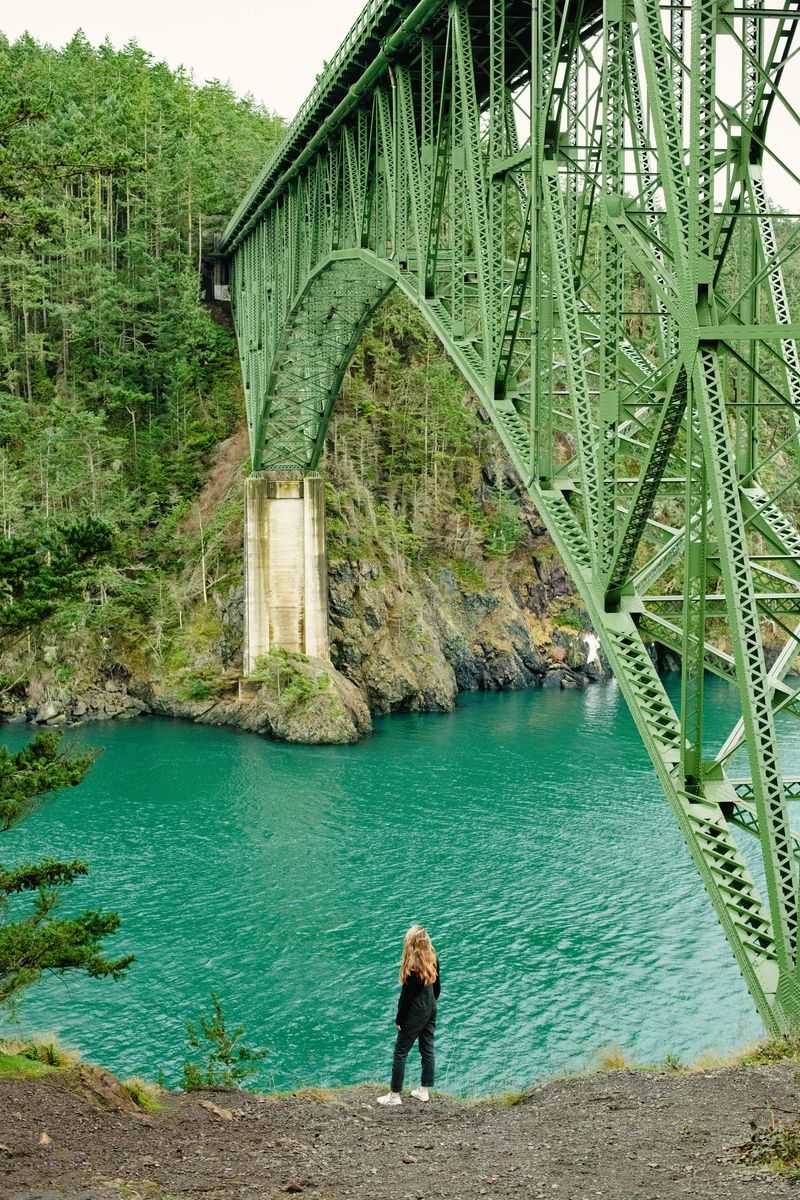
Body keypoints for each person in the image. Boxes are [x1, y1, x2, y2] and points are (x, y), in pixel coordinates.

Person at [377, 924, 440, 1106]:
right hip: (431, 1006)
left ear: (411, 943)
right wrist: (431, 1005)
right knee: (427, 1048)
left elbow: (406, 998)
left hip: (416, 1011)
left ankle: (394, 1095)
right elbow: (437, 987)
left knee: (400, 1051)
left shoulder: (413, 967)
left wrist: (399, 1019)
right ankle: (424, 1091)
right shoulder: (433, 956)